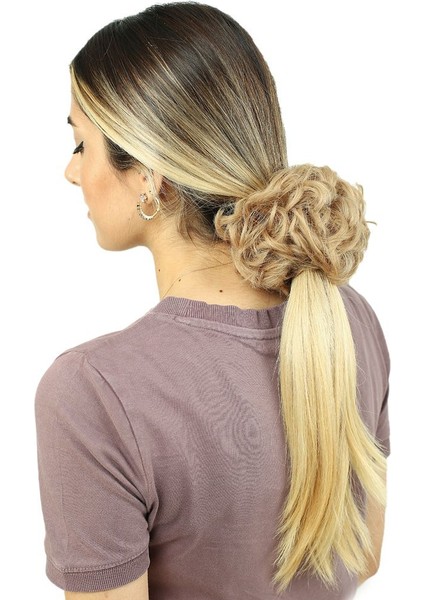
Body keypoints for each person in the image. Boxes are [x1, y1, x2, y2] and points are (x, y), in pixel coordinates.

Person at [35, 3, 390, 599]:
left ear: (148, 175)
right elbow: (365, 556)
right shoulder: (346, 317)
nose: (72, 172)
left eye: (80, 144)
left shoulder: (93, 391)